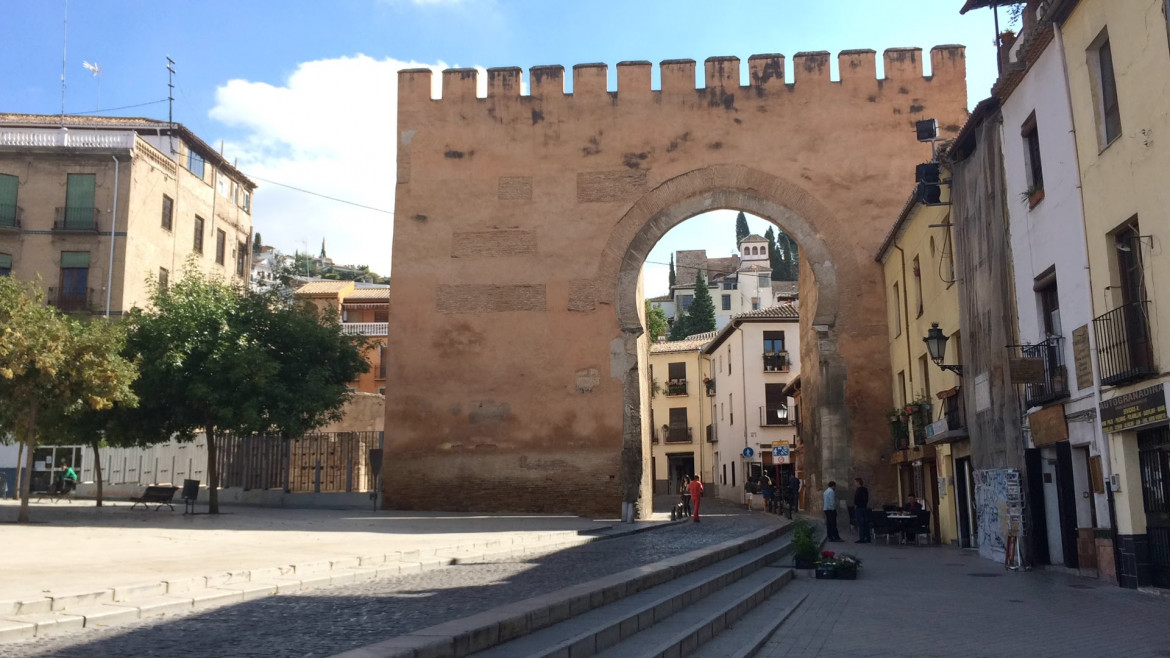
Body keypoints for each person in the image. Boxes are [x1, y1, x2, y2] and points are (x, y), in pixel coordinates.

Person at [853, 477, 871, 543]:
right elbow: (866, 499)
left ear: (858, 482)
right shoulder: (865, 490)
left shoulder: (859, 490)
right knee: (865, 523)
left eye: (855, 482)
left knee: (861, 524)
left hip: (859, 508)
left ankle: (862, 538)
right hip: (864, 508)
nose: (854, 484)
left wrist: (856, 505)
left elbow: (857, 500)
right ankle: (868, 538)